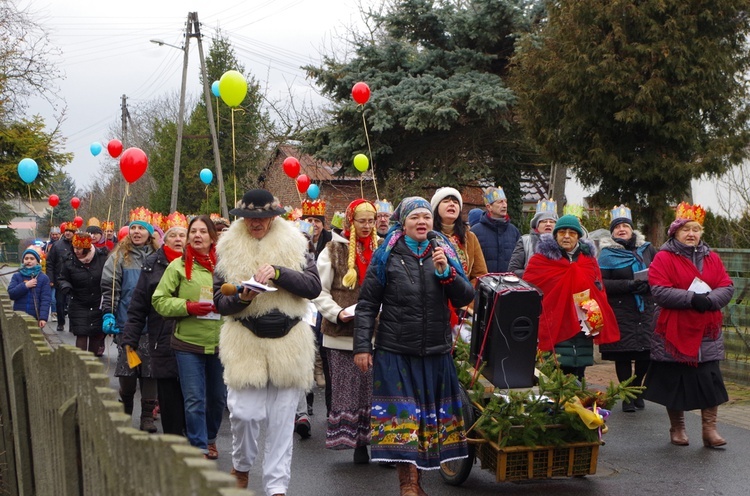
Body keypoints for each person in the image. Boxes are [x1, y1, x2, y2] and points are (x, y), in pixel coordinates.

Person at [354, 197, 474, 496]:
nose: (422, 222)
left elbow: (465, 297)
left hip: (434, 352)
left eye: (426, 217)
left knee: (425, 421)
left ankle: (416, 484)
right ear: (403, 223)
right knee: (402, 420)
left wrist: (448, 274)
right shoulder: (387, 255)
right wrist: (362, 347)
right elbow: (368, 303)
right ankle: (408, 486)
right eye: (415, 218)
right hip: (395, 351)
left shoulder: (444, 251)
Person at [213, 188, 321, 493]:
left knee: (281, 423)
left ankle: (277, 488)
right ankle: (242, 465)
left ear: (274, 216)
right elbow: (220, 301)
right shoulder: (227, 247)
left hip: (289, 342)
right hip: (245, 340)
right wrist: (243, 299)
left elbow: (313, 287)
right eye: (249, 218)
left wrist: (278, 272)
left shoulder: (298, 243)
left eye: (261, 217)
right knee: (244, 414)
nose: (255, 223)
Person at [643, 202, 733, 448]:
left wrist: (710, 300)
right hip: (674, 331)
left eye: (695, 229)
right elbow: (659, 290)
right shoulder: (663, 257)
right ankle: (678, 427)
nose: (691, 234)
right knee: (676, 383)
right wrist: (692, 298)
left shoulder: (711, 257)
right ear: (675, 232)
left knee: (710, 383)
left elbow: (727, 286)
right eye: (686, 229)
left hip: (707, 331)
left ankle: (709, 429)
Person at [152, 215, 226, 453]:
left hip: (221, 343)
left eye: (203, 231)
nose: (197, 236)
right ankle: (199, 446)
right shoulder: (177, 266)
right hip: (187, 344)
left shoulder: (226, 266)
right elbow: (159, 300)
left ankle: (211, 437)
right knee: (194, 400)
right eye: (193, 231)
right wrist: (187, 307)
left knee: (216, 399)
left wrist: (227, 303)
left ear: (212, 236)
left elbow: (240, 295)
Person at [313, 198, 379, 463]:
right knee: (349, 391)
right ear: (351, 221)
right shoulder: (332, 250)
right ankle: (357, 444)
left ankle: (380, 443)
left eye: (370, 221)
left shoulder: (381, 248)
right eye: (361, 221)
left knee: (376, 390)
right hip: (342, 334)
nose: (366, 226)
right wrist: (336, 313)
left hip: (376, 332)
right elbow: (318, 290)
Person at [523, 215, 620, 380]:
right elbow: (529, 291)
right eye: (562, 232)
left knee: (579, 368)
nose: (566, 236)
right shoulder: (541, 260)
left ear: (578, 236)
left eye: (571, 233)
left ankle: (579, 401)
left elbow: (598, 288)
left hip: (582, 320)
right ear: (555, 235)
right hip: (555, 321)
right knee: (556, 369)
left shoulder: (588, 260)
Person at [122, 213, 188, 436]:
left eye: (182, 235)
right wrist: (129, 337)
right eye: (173, 236)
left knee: (193, 396)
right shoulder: (152, 265)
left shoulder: (200, 263)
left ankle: (198, 440)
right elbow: (138, 305)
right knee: (168, 397)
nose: (178, 239)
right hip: (162, 339)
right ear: (163, 240)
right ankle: (174, 442)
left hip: (194, 339)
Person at [101, 208, 160, 433]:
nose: (136, 231)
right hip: (127, 324)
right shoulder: (118, 257)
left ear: (149, 233)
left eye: (141, 228)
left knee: (150, 372)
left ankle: (147, 416)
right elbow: (110, 288)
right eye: (133, 227)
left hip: (153, 325)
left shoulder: (158, 257)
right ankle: (125, 409)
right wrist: (109, 313)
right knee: (127, 374)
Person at [597, 206, 657, 412]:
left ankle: (637, 389)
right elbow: (601, 283)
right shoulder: (606, 254)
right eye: (617, 227)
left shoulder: (648, 249)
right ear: (612, 232)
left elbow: (659, 272)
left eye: (625, 226)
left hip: (645, 308)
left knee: (645, 354)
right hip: (621, 309)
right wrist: (628, 285)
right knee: (623, 354)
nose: (622, 229)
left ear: (632, 229)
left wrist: (648, 284)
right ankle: (626, 395)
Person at [430, 187, 487, 342]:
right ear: (436, 207)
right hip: (433, 303)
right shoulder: (427, 235)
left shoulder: (470, 237)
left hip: (464, 306)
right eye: (446, 201)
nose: (452, 204)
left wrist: (466, 298)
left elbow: (480, 274)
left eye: (455, 202)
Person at [57, 232, 107, 356]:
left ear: (86, 247)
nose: (76, 251)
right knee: (81, 333)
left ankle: (92, 363)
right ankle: (81, 365)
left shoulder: (101, 258)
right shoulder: (69, 260)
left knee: (95, 335)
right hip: (78, 302)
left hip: (97, 302)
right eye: (74, 248)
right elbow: (62, 278)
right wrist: (66, 286)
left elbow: (108, 276)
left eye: (79, 248)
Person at [470, 186, 521, 273]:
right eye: (500, 202)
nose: (504, 205)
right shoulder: (475, 232)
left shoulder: (514, 231)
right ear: (489, 207)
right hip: (483, 284)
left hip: (508, 284)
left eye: (505, 202)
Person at [508, 198, 559, 277]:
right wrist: (536, 274)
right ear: (537, 224)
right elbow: (513, 270)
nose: (548, 224)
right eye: (544, 221)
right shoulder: (525, 241)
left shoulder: (561, 242)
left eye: (552, 221)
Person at [8, 246, 51, 328]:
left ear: (37, 261)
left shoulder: (43, 278)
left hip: (35, 316)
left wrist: (43, 318)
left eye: (32, 258)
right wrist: (25, 286)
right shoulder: (17, 276)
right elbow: (11, 294)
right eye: (26, 258)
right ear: (23, 260)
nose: (29, 261)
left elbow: (45, 299)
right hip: (19, 316)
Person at [46, 221, 76, 332]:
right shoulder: (57, 245)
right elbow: (50, 263)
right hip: (60, 278)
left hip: (74, 279)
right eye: (66, 231)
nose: (68, 233)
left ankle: (73, 325)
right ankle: (61, 322)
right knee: (59, 302)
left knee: (73, 303)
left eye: (70, 231)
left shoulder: (77, 244)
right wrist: (51, 278)